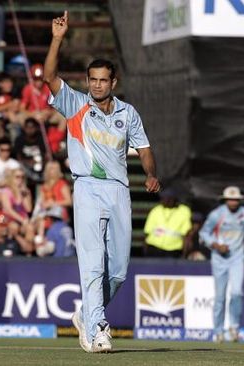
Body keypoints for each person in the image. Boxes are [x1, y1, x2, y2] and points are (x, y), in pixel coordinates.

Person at [43, 11, 160, 353]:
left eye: (102, 80)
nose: (96, 85)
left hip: (119, 190)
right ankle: (98, 329)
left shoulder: (128, 114)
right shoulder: (76, 105)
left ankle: (86, 314)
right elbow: (48, 76)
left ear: (113, 82)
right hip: (87, 189)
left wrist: (151, 174)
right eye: (92, 79)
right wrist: (57, 39)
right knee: (93, 263)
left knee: (119, 271)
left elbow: (145, 148)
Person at [199, 186, 244, 343]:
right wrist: (216, 245)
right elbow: (203, 233)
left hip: (238, 257)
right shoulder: (217, 215)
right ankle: (218, 331)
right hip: (219, 259)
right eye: (230, 199)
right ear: (224, 200)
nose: (233, 202)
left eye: (236, 199)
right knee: (220, 297)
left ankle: (234, 328)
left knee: (237, 292)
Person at [143, 188, 192, 258]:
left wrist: (184, 255)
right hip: (154, 249)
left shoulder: (183, 211)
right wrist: (145, 252)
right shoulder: (156, 210)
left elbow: (187, 236)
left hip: (173, 251)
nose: (164, 200)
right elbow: (147, 233)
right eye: (163, 198)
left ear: (174, 199)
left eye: (168, 198)